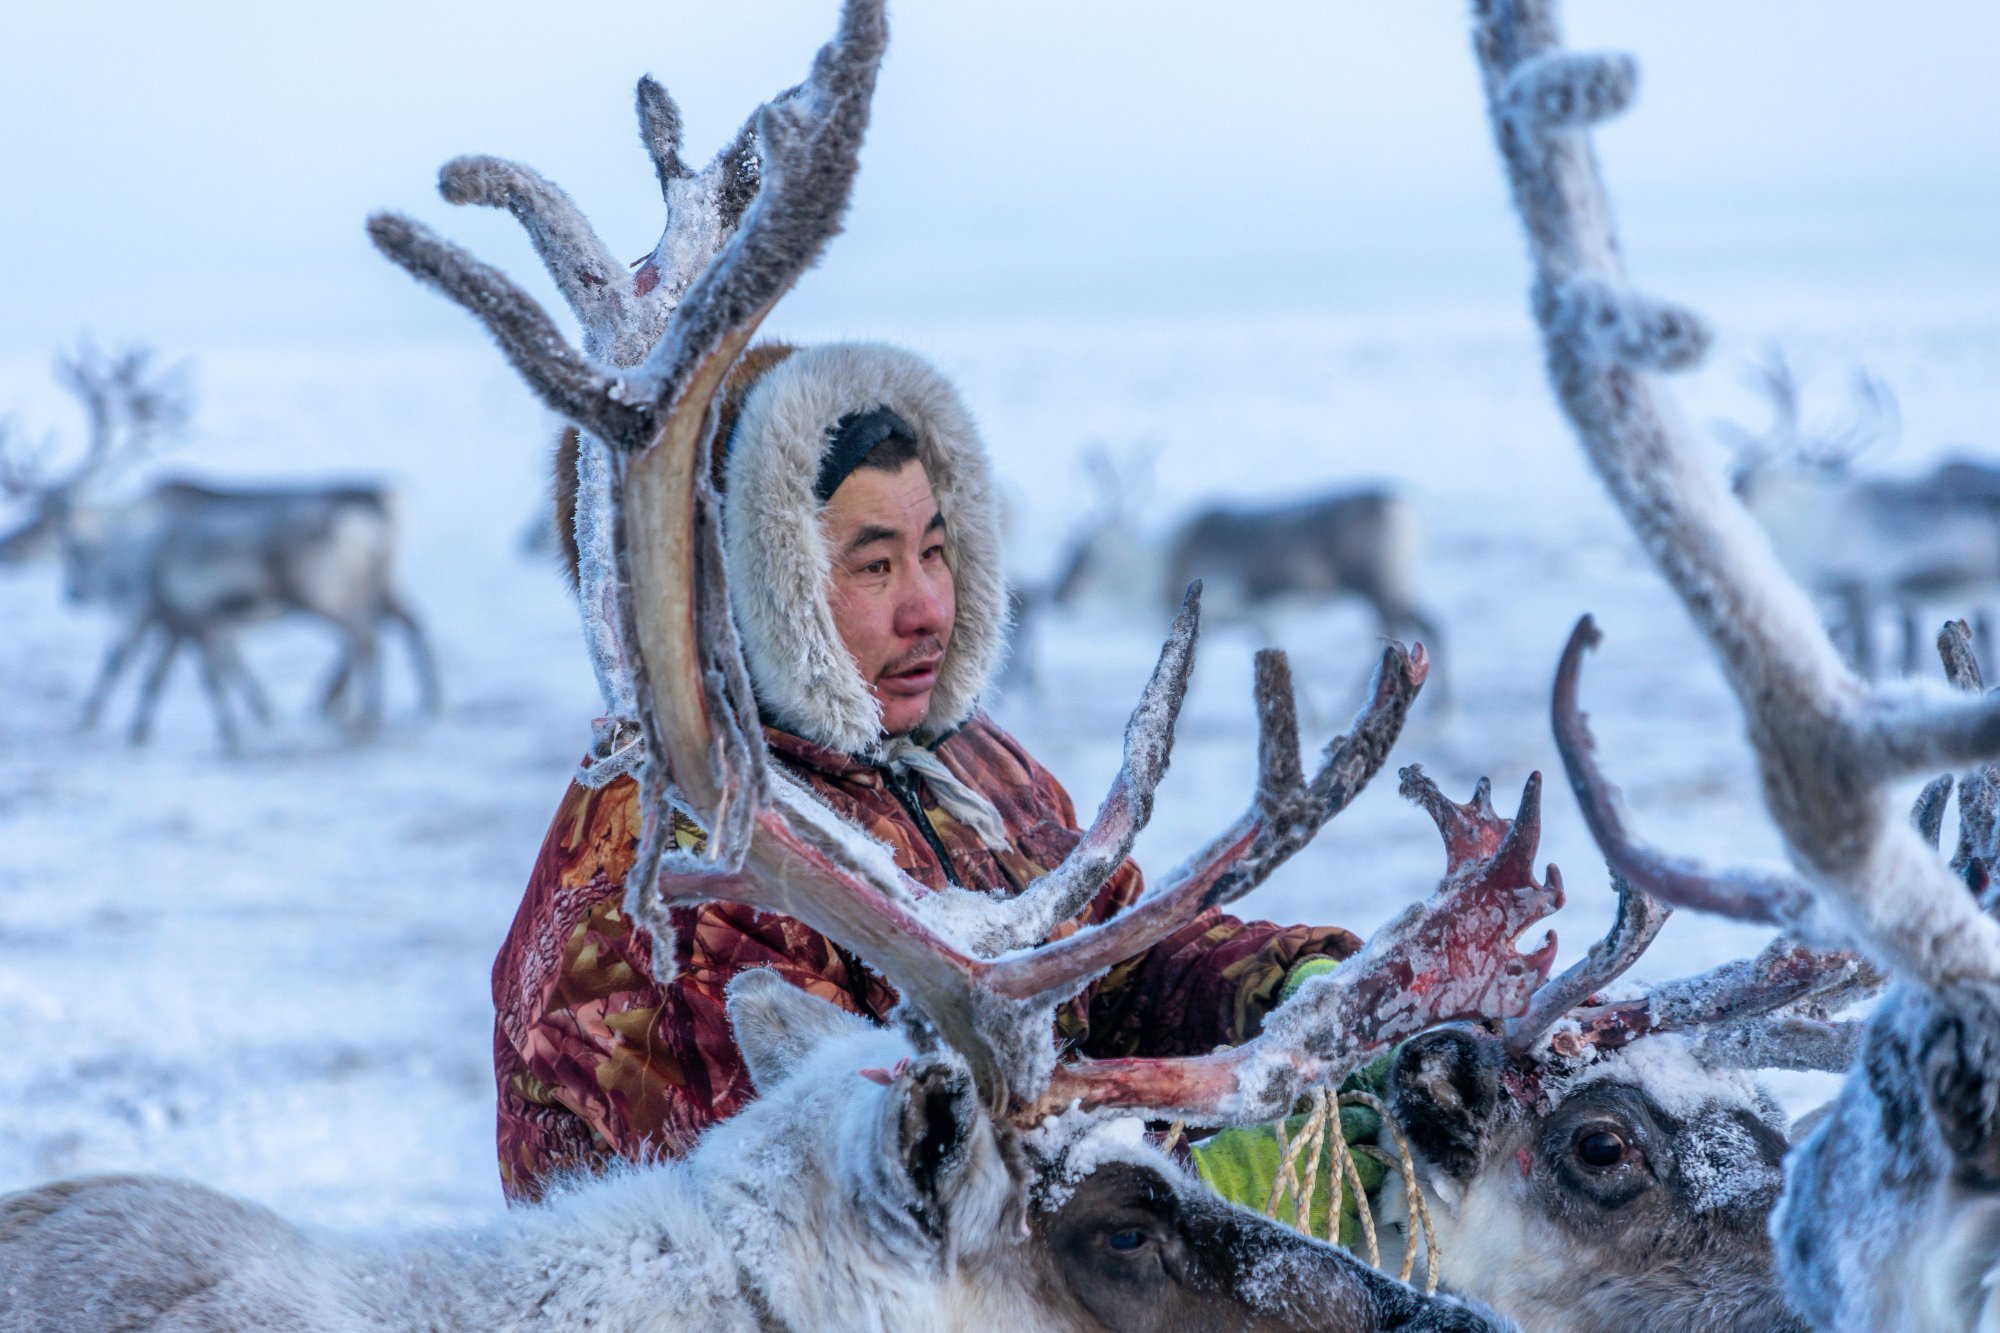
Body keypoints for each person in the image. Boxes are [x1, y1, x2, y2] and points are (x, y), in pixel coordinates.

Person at [492, 341, 1362, 1201]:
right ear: (742, 596)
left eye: (935, 551)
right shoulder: (662, 877)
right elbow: (886, 1198)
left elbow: (1119, 961)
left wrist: (1302, 994)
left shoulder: (969, 766)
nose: (930, 610)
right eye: (875, 565)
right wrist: (1195, 1190)